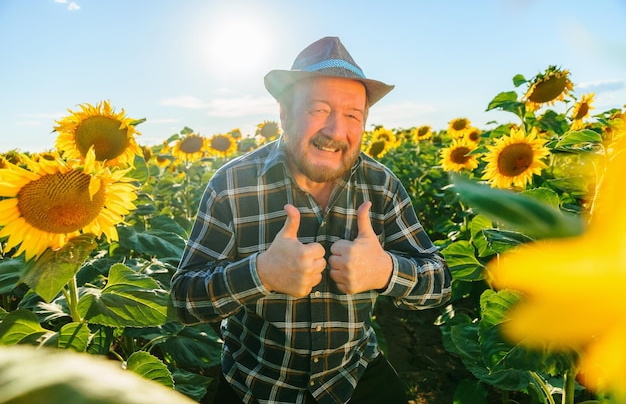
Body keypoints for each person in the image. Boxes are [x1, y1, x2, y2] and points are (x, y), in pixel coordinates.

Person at [170, 36, 452, 404]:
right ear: (284, 114)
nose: (336, 131)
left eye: (353, 115)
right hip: (256, 381)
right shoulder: (233, 185)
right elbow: (183, 300)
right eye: (318, 110)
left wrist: (385, 271)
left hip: (352, 374)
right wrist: (260, 274)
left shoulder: (380, 185)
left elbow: (441, 282)